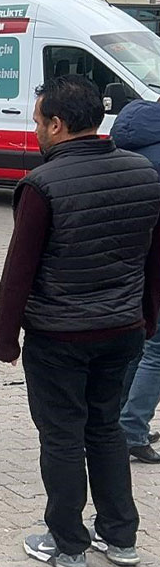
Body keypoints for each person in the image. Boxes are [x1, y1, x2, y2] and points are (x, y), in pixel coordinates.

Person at [0, 75, 160, 567]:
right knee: (106, 429)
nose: (37, 129)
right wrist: (147, 316)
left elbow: (18, 270)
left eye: (39, 120)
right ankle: (120, 536)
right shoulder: (144, 172)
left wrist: (5, 341)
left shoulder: (41, 185)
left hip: (60, 336)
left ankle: (67, 544)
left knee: (62, 438)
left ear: (58, 124)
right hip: (124, 330)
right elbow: (155, 258)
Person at [110, 97, 160, 465]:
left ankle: (118, 422)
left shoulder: (123, 145)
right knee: (157, 352)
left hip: (128, 265)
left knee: (140, 345)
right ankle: (131, 429)